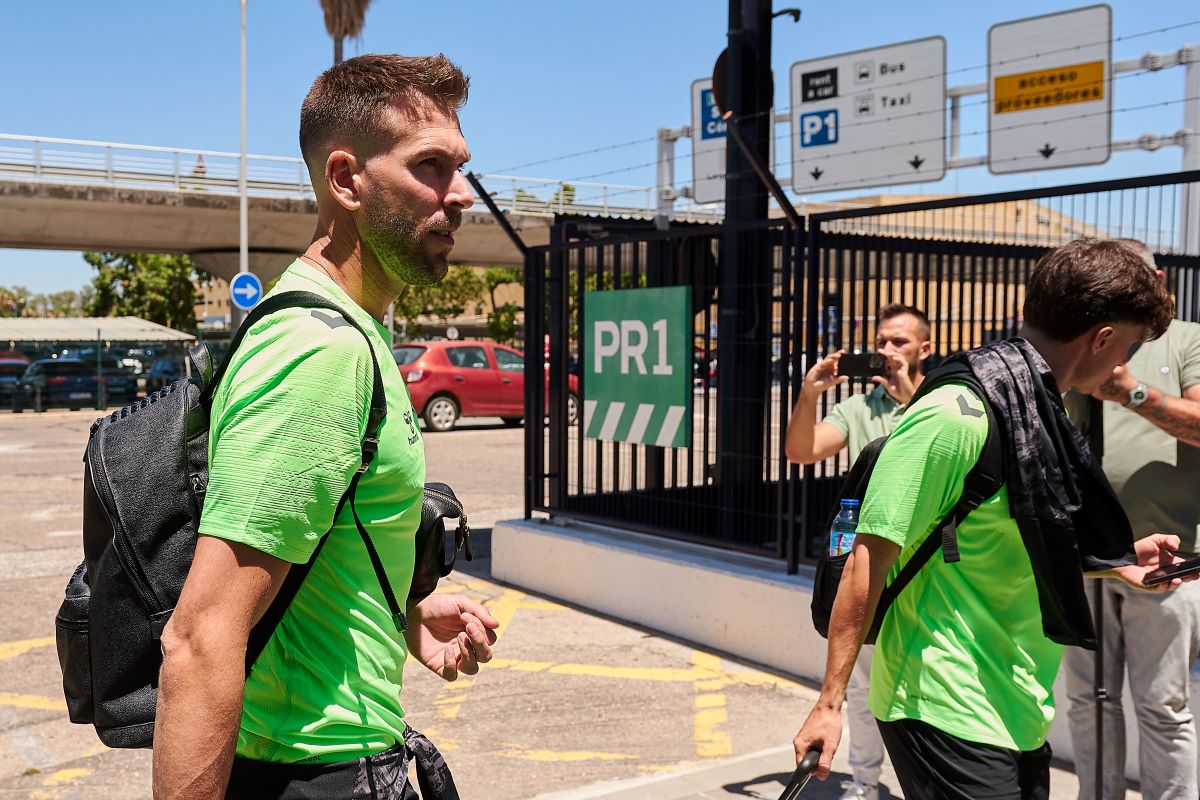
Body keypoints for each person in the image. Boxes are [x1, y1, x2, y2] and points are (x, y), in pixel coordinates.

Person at [153, 54, 499, 799]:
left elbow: (305, 551)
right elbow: (200, 637)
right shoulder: (320, 349)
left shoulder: (352, 328)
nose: (461, 193)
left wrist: (401, 614)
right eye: (431, 166)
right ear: (346, 181)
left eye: (460, 166)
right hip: (315, 777)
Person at [792, 237, 1194, 800]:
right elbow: (867, 555)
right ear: (1101, 339)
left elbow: (1007, 543)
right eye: (1125, 346)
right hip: (940, 703)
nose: (1121, 363)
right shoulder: (956, 416)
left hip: (1014, 701)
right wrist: (829, 704)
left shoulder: (1032, 404)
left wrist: (1116, 563)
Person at [1061, 239, 1200, 800]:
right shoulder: (1084, 343)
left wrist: (1131, 391)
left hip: (1168, 560)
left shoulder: (1188, 337)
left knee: (1162, 706)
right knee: (1088, 701)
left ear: (1157, 279)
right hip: (1091, 560)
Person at [785, 303, 933, 800]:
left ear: (924, 350)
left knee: (925, 690)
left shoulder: (939, 399)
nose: (888, 351)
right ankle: (866, 785)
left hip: (930, 568)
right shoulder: (859, 409)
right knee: (865, 691)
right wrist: (810, 392)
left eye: (901, 343)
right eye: (883, 342)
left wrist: (910, 396)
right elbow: (802, 450)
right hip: (871, 565)